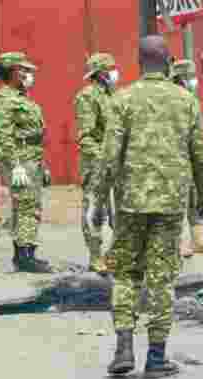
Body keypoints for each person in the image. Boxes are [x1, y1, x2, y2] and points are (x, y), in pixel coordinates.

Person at [101, 36, 203, 378]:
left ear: (139, 63)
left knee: (126, 274)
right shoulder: (185, 102)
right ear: (168, 63)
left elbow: (109, 157)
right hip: (169, 204)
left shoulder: (122, 101)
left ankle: (123, 345)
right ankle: (156, 356)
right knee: (161, 278)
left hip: (131, 203)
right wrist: (202, 198)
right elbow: (201, 159)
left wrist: (96, 198)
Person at [0, 52, 52, 273]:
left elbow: (33, 134)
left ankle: (25, 253)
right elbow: (3, 136)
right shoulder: (1, 99)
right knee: (25, 205)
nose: (28, 74)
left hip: (32, 156)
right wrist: (15, 165)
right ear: (11, 72)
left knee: (30, 205)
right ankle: (24, 256)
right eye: (22, 70)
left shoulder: (23, 98)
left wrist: (43, 164)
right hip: (19, 158)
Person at [169, 59, 203, 258]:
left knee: (193, 197)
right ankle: (178, 243)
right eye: (190, 77)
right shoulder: (173, 99)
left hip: (189, 155)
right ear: (181, 78)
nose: (194, 80)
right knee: (177, 200)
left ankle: (198, 240)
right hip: (175, 157)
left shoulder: (189, 98)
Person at [75, 53, 119, 275]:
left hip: (117, 163)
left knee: (120, 211)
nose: (114, 72)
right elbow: (86, 136)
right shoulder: (87, 97)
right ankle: (95, 256)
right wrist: (103, 158)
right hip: (96, 164)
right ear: (100, 73)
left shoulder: (114, 96)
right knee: (95, 211)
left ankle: (114, 254)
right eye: (111, 68)